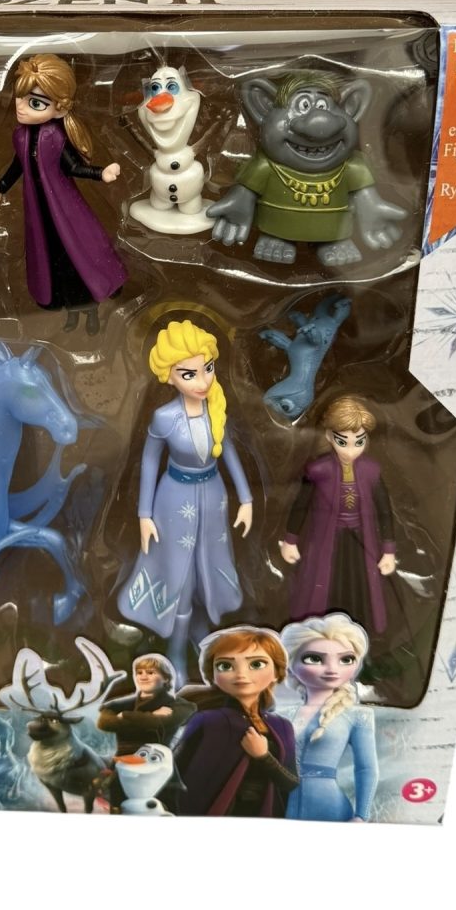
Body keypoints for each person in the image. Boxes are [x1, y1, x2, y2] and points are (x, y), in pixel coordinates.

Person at [115, 320, 254, 679]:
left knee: (208, 566)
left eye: (207, 368)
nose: (202, 381)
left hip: (213, 497)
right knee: (179, 574)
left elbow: (229, 452)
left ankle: (201, 632)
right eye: (188, 374)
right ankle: (176, 649)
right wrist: (144, 514)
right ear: (169, 376)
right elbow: (149, 462)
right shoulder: (164, 418)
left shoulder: (216, 409)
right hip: (174, 500)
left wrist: (246, 499)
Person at [0, 54, 126, 333]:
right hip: (39, 213)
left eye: (35, 103)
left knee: (77, 259)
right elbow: (17, 166)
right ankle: (71, 313)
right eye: (19, 98)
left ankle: (91, 313)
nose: (21, 107)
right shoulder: (21, 136)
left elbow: (73, 167)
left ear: (59, 109)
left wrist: (100, 173)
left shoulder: (54, 136)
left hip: (64, 211)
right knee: (53, 265)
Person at [281, 395, 398, 633]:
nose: (351, 451)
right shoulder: (318, 470)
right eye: (342, 442)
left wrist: (388, 550)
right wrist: (290, 540)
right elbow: (300, 505)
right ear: (328, 436)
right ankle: (320, 630)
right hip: (325, 540)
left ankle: (359, 630)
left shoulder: (371, 471)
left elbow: (385, 510)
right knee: (323, 584)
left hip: (362, 542)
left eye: (359, 442)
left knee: (360, 585)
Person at [170, 626, 297, 817]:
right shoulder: (209, 720)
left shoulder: (282, 726)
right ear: (212, 675)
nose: (241, 674)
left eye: (256, 664)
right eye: (225, 666)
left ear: (276, 672)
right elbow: (175, 773)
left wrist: (264, 757)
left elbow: (290, 783)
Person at [282, 613, 378, 822]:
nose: (332, 669)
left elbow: (366, 768)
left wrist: (361, 816)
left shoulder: (357, 716)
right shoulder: (280, 715)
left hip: (330, 807)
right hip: (280, 806)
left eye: (346, 659)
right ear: (291, 665)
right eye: (314, 659)